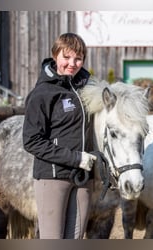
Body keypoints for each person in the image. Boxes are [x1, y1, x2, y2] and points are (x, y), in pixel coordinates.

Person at [22, 33, 97, 239]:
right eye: (66, 57)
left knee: (75, 238)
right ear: (55, 56)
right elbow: (31, 141)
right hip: (52, 177)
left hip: (82, 178)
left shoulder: (89, 89)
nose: (72, 64)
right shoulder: (42, 94)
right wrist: (76, 158)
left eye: (78, 58)